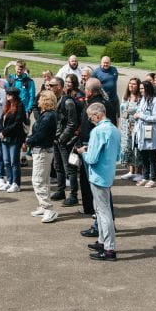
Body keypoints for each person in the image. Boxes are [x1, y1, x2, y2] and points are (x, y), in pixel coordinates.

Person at [77, 102, 122, 261]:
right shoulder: (115, 130)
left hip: (98, 174)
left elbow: (92, 158)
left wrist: (83, 152)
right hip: (108, 172)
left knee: (103, 213)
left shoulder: (97, 131)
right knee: (101, 210)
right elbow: (118, 156)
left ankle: (109, 248)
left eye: (90, 117)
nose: (90, 120)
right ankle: (103, 242)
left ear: (97, 115)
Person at [26, 90, 59, 222]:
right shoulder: (47, 115)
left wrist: (28, 140)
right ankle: (43, 206)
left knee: (38, 180)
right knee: (44, 180)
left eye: (39, 99)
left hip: (42, 151)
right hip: (44, 150)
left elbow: (40, 134)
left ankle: (48, 208)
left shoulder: (47, 116)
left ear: (45, 101)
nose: (37, 101)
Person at [48, 77, 80, 206]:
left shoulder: (68, 102)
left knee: (70, 169)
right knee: (58, 167)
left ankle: (73, 195)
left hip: (65, 141)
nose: (49, 87)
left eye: (52, 85)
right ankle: (61, 190)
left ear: (59, 86)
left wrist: (62, 138)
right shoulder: (54, 100)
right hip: (56, 140)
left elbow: (73, 123)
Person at [134, 80, 156, 188]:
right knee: (143, 155)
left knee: (152, 156)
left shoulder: (155, 101)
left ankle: (153, 178)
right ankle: (145, 177)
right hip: (141, 131)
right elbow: (138, 112)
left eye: (142, 88)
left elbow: (155, 118)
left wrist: (140, 116)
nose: (140, 90)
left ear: (147, 89)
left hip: (150, 131)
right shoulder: (142, 100)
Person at [0, 87, 27, 193]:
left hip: (15, 138)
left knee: (14, 162)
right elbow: (1, 119)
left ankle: (16, 183)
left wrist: (4, 132)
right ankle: (9, 182)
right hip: (5, 138)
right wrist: (0, 131)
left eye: (10, 94)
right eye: (7, 94)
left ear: (14, 95)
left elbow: (17, 123)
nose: (7, 96)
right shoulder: (7, 105)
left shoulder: (20, 106)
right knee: (6, 161)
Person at [118, 77, 142, 182]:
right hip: (125, 127)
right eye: (130, 84)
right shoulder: (125, 97)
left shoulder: (140, 99)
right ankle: (131, 171)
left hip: (135, 126)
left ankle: (139, 172)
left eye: (134, 84)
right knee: (127, 148)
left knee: (136, 148)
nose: (131, 86)